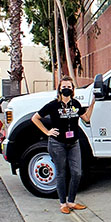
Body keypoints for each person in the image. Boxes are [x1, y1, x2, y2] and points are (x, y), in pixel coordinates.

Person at [31, 76, 95, 214]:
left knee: (77, 172)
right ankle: (62, 203)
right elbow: (35, 118)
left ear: (73, 89)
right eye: (64, 87)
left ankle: (71, 201)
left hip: (74, 143)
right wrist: (47, 132)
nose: (66, 89)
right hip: (57, 144)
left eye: (69, 87)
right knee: (61, 173)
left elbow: (86, 118)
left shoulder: (76, 104)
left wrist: (93, 103)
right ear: (59, 89)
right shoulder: (53, 105)